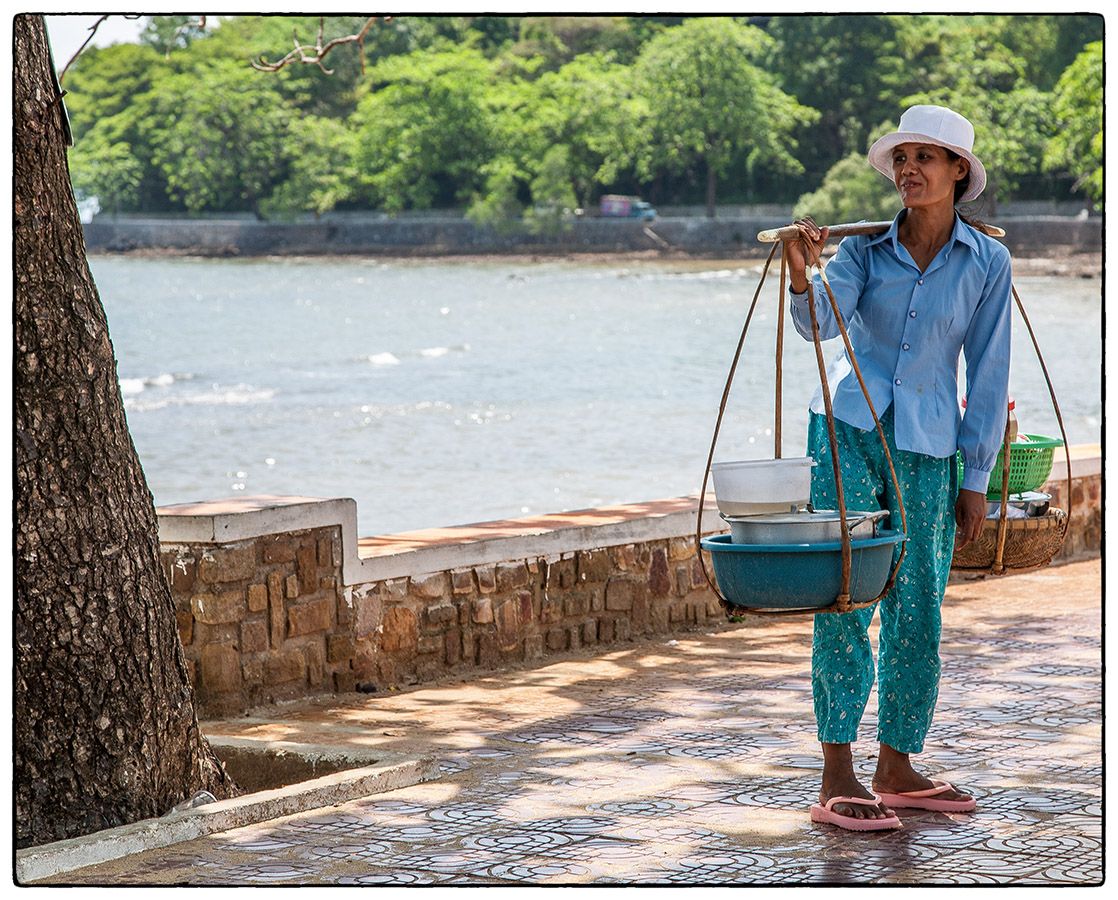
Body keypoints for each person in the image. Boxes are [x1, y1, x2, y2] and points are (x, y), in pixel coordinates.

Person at [784, 105, 1012, 831]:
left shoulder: (987, 262)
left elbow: (989, 365)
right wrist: (802, 273)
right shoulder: (860, 255)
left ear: (958, 174)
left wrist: (976, 479)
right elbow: (821, 323)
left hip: (929, 448)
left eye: (928, 158)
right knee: (845, 594)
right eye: (903, 158)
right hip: (848, 434)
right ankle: (836, 768)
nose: (910, 169)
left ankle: (897, 762)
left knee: (918, 607)